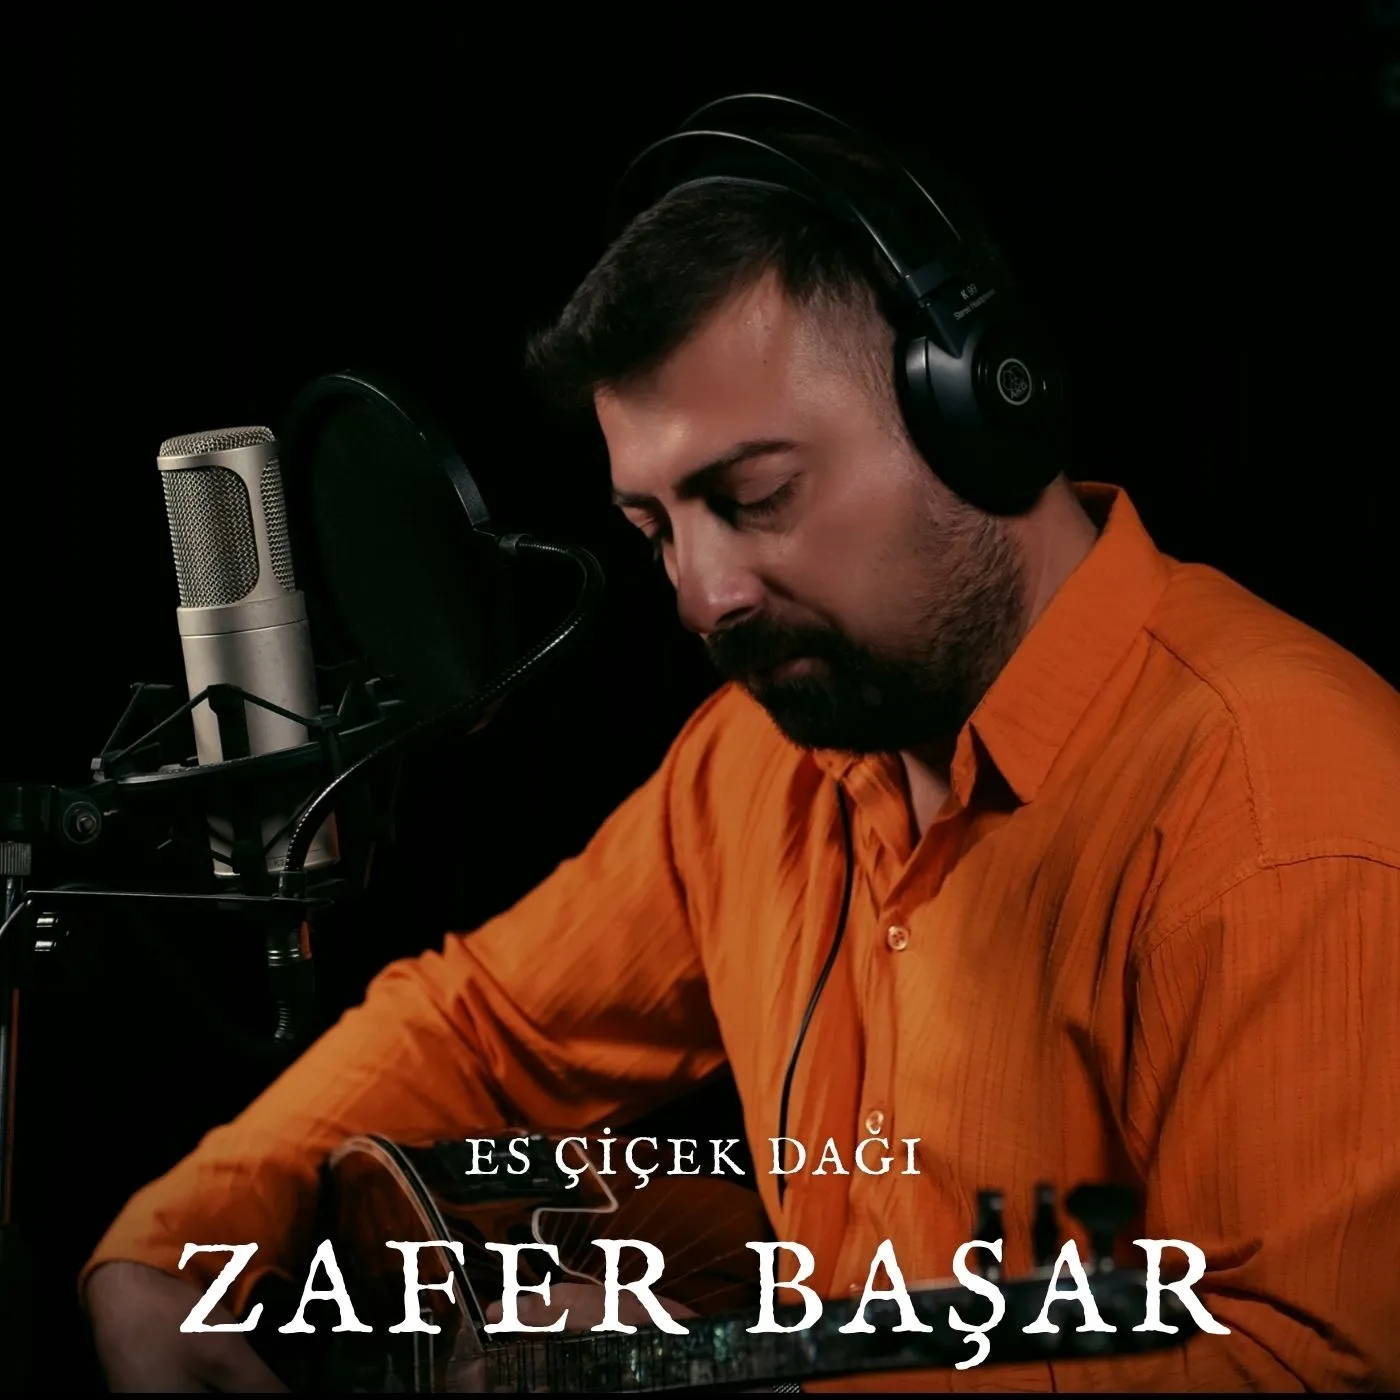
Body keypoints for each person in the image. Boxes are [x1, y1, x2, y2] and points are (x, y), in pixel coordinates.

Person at [83, 98, 1400, 1392]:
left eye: (756, 496)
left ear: (977, 413)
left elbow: (1297, 1361)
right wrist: (174, 1249)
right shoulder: (758, 761)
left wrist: (707, 1370)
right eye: (655, 528)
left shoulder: (1286, 812)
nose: (702, 598)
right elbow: (487, 1026)